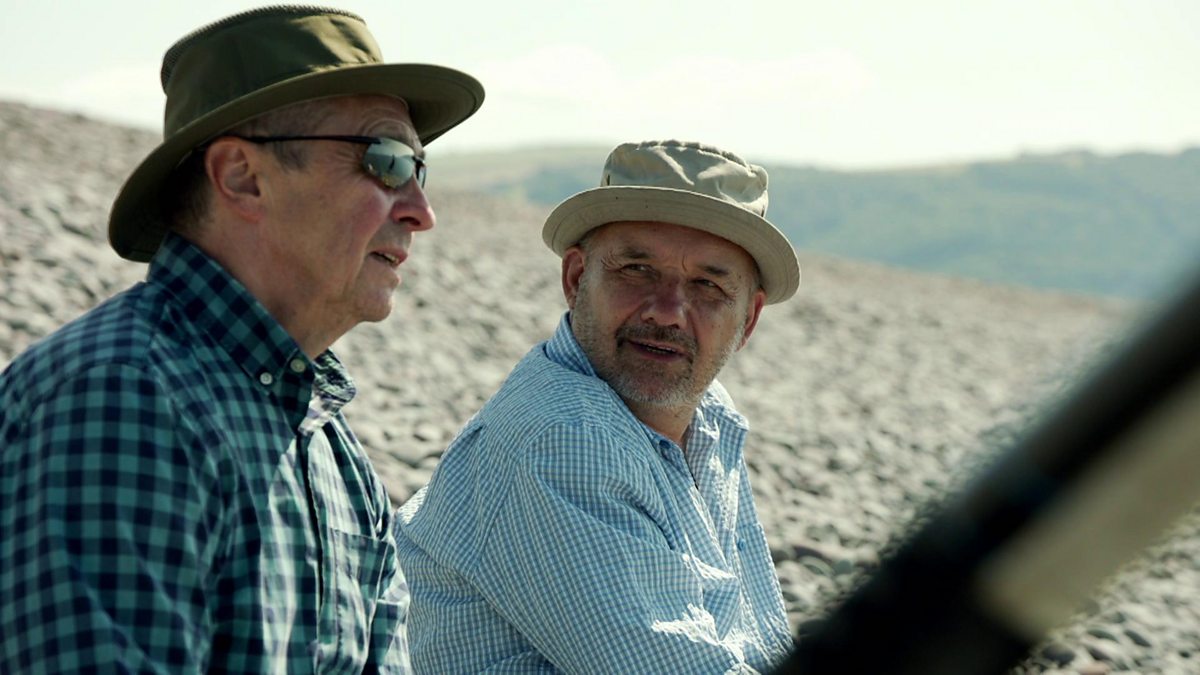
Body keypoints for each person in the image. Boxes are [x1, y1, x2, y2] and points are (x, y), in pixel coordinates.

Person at [0, 6, 482, 672]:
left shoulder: (334, 452)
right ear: (241, 176)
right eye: (387, 161)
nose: (421, 212)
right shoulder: (120, 400)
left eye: (418, 170)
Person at [395, 139, 801, 672]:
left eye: (707, 285)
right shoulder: (564, 438)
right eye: (637, 270)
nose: (667, 312)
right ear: (575, 279)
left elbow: (754, 636)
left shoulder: (706, 416)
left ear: (748, 320)